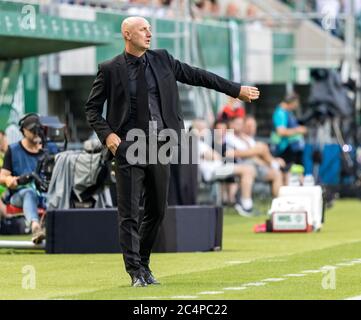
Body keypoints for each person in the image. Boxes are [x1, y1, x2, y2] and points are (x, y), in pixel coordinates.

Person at [84, 16, 260, 287]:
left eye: (150, 29)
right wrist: (108, 135)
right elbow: (92, 109)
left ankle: (143, 262)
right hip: (128, 146)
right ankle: (135, 273)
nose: (149, 33)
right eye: (143, 29)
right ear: (127, 34)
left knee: (157, 211)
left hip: (161, 144)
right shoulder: (109, 69)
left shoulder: (163, 59)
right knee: (129, 213)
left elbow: (199, 76)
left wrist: (235, 90)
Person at [193, 119, 256, 216]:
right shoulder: (197, 143)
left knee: (248, 169)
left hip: (217, 168)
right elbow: (215, 156)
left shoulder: (201, 142)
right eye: (204, 128)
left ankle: (240, 201)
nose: (206, 130)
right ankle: (246, 206)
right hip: (212, 172)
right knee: (247, 169)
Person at [0, 114, 46, 244]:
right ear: (24, 130)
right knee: (28, 193)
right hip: (18, 195)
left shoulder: (45, 151)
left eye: (38, 129)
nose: (36, 133)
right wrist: (11, 180)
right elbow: (2, 177)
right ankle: (35, 226)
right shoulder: (13, 150)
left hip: (43, 192)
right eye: (32, 130)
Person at [225, 116, 283, 199]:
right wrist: (257, 152)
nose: (240, 126)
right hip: (242, 164)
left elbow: (256, 155)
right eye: (237, 124)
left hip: (256, 164)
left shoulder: (246, 138)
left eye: (241, 124)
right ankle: (273, 163)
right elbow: (235, 154)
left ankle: (278, 203)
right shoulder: (229, 136)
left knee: (277, 174)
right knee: (261, 147)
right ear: (231, 124)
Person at [270, 93, 307, 172]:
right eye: (296, 104)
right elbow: (281, 132)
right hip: (283, 149)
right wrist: (298, 130)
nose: (296, 106)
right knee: (286, 173)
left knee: (297, 171)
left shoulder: (287, 112)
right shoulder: (280, 113)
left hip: (291, 150)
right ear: (292, 102)